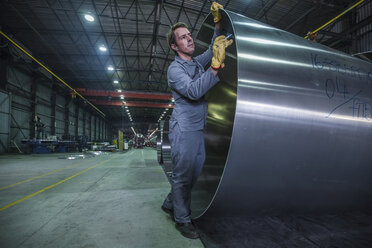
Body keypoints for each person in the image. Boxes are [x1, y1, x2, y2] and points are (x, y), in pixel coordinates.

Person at [161, 1, 233, 239]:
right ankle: (182, 219)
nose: (189, 39)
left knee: (193, 173)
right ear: (174, 46)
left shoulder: (194, 62)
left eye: (189, 35)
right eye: (183, 37)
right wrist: (214, 67)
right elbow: (193, 92)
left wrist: (217, 22)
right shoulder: (175, 70)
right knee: (183, 175)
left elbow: (214, 45)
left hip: (197, 127)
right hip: (184, 129)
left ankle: (170, 202)